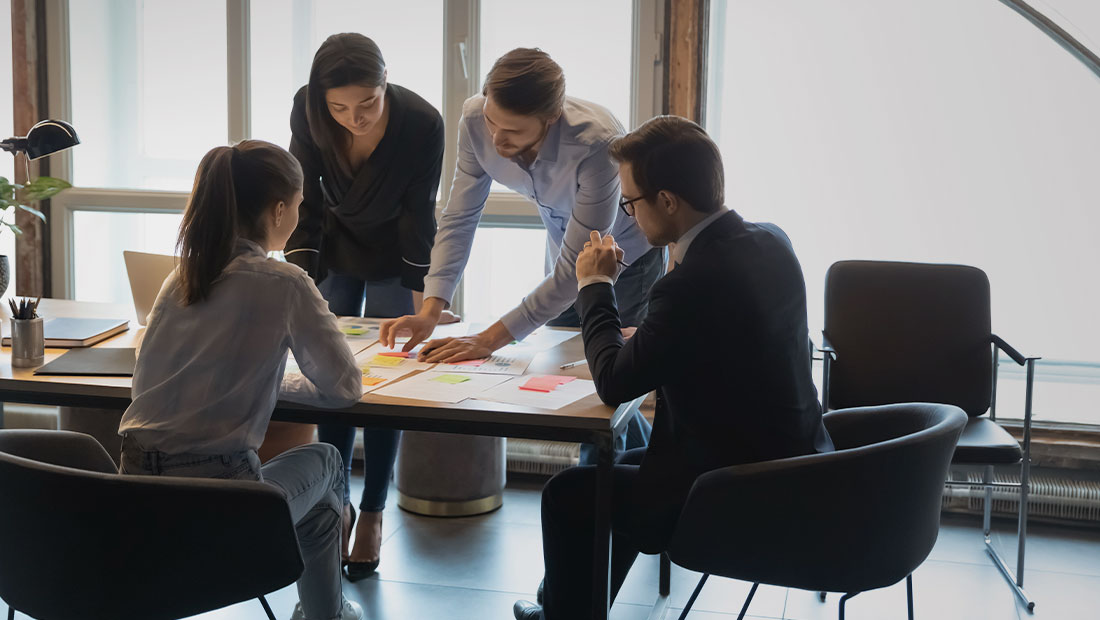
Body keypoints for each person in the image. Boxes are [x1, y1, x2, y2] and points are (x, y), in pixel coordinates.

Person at [511, 116, 835, 620]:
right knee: (620, 458)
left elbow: (615, 382)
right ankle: (577, 607)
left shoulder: (688, 283)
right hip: (798, 466)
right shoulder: (772, 241)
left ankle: (564, 614)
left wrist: (595, 285)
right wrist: (654, 337)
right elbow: (727, 336)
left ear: (667, 201)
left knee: (568, 495)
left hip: (733, 492)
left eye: (631, 202)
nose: (627, 216)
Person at [117, 140, 365, 620]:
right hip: (222, 509)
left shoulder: (181, 277)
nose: (299, 214)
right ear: (277, 211)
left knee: (312, 501)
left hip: (135, 500)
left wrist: (267, 379)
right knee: (329, 464)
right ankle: (325, 616)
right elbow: (343, 389)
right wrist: (281, 380)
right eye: (297, 206)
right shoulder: (286, 282)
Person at [380, 47, 663, 462]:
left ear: (550, 119)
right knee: (573, 377)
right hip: (564, 250)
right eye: (493, 122)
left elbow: (575, 273)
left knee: (603, 383)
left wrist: (488, 339)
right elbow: (459, 216)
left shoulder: (597, 143)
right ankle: (645, 466)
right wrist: (431, 308)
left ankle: (604, 498)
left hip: (621, 256)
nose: (496, 138)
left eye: (511, 130)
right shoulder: (475, 119)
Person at [284, 33, 448, 580]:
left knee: (384, 381)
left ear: (386, 85)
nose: (353, 118)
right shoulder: (306, 112)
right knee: (331, 375)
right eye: (339, 108)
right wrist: (298, 283)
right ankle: (338, 501)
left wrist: (424, 296)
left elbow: (419, 213)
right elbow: (302, 199)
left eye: (367, 104)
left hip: (395, 250)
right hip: (332, 242)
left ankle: (373, 510)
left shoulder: (422, 123)